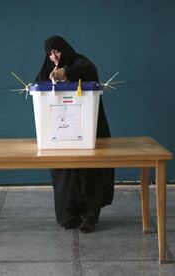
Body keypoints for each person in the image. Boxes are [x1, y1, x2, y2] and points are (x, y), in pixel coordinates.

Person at [35, 35, 114, 233]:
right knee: (64, 173)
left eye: (57, 51)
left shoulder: (79, 61)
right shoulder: (47, 66)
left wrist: (66, 72)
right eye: (50, 53)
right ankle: (68, 215)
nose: (53, 56)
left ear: (66, 49)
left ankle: (89, 217)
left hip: (87, 130)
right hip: (58, 132)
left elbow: (90, 71)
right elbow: (38, 86)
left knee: (89, 172)